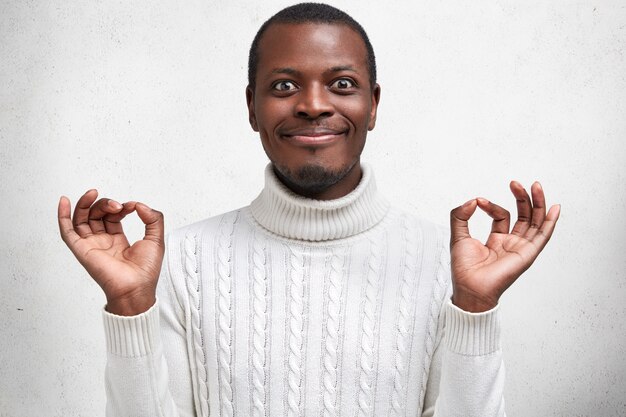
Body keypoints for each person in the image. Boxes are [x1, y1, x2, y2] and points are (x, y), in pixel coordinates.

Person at [57, 3, 560, 417]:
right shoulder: (180, 260)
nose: (313, 105)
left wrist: (475, 307)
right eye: (283, 86)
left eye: (342, 83)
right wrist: (130, 305)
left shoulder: (445, 260)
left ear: (374, 104)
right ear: (252, 107)